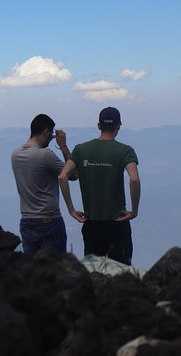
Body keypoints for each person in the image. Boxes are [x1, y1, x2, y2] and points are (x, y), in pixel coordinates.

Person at [58, 106, 141, 265]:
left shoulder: (81, 150)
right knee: (121, 272)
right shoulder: (125, 151)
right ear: (118, 126)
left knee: (94, 273)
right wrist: (134, 211)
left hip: (92, 224)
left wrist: (71, 210)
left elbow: (62, 177)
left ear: (98, 126)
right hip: (118, 222)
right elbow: (134, 180)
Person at [11, 113, 79, 256]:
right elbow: (73, 175)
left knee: (33, 271)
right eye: (51, 134)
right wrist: (63, 146)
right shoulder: (45, 155)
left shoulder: (15, 154)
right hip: (49, 221)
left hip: (26, 221)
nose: (51, 138)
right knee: (55, 270)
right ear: (46, 132)